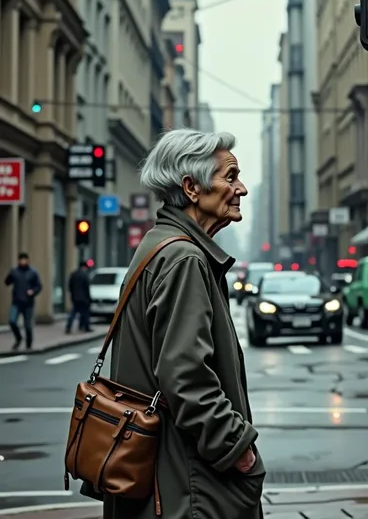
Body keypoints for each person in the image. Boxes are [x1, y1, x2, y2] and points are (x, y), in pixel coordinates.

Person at [81, 129, 265, 519]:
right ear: (191, 187)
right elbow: (185, 375)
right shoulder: (184, 258)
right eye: (230, 177)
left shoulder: (162, 244)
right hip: (186, 482)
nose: (242, 189)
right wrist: (238, 449)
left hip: (170, 477)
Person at [5, 252, 42, 351]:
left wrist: (33, 291)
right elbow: (7, 282)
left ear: (28, 260)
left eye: (25, 260)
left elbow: (39, 286)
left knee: (28, 325)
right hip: (16, 301)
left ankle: (29, 345)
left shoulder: (33, 272)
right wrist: (9, 277)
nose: (23, 262)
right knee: (12, 321)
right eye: (21, 260)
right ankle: (18, 338)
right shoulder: (15, 271)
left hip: (28, 303)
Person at [65, 261, 92, 334]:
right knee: (85, 313)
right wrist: (89, 298)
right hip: (83, 298)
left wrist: (72, 295)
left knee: (73, 313)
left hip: (75, 297)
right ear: (84, 267)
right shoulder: (85, 275)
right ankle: (86, 327)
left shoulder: (73, 274)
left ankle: (68, 327)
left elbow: (70, 286)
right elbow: (87, 288)